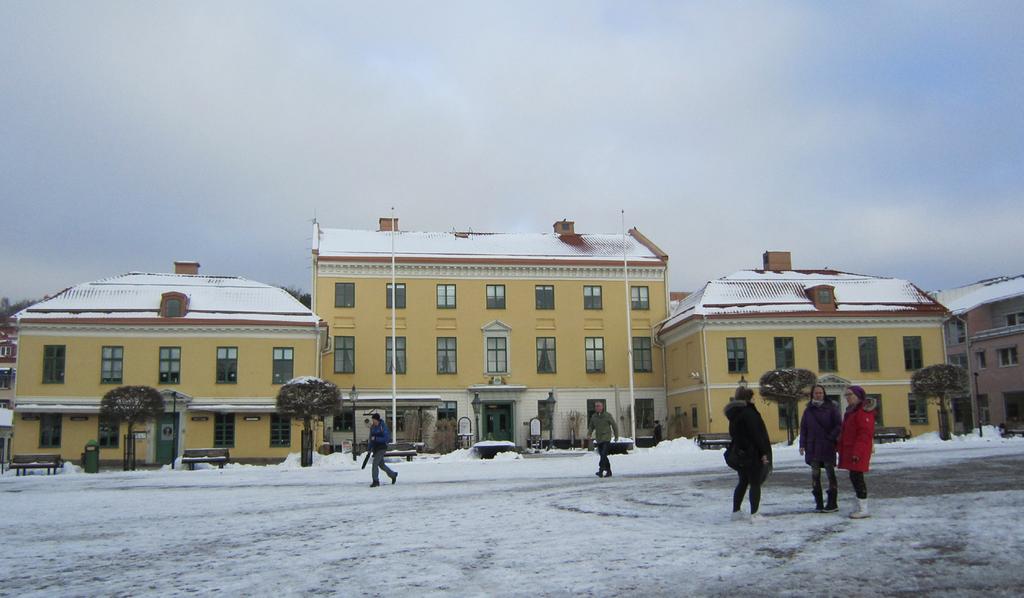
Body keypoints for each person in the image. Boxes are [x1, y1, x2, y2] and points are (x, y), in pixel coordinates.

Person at [725, 386, 772, 521]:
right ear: (748, 398)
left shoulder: (734, 413)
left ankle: (736, 511)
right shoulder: (749, 413)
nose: (754, 400)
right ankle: (755, 513)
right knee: (755, 482)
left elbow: (734, 433)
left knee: (743, 481)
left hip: (740, 452)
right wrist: (763, 452)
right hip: (752, 452)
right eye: (752, 397)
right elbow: (757, 434)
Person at [799, 384, 842, 513]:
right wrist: (802, 444)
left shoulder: (832, 408)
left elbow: (838, 425)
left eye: (821, 393)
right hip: (812, 446)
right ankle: (818, 503)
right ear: (812, 395)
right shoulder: (808, 411)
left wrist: (831, 437)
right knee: (815, 475)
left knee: (830, 474)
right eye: (816, 393)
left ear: (824, 394)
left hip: (827, 445)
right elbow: (804, 428)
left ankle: (832, 502)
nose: (819, 395)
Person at [838, 385, 876, 518]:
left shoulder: (862, 413)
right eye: (846, 395)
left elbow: (864, 435)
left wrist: (857, 453)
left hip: (857, 451)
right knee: (854, 477)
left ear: (858, 396)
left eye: (850, 395)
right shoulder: (851, 412)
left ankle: (863, 508)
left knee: (857, 477)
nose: (847, 398)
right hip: (851, 449)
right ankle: (860, 505)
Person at [587, 401, 618, 477]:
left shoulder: (607, 415)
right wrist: (589, 434)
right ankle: (609, 471)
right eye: (596, 406)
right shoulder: (594, 416)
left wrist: (616, 436)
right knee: (603, 455)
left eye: (599, 406)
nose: (597, 408)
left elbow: (614, 425)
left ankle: (601, 469)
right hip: (599, 438)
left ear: (602, 407)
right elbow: (591, 426)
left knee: (603, 454)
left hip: (606, 438)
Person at [368, 413, 397, 487]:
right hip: (375, 448)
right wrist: (369, 448)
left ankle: (376, 481)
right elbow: (371, 439)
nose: (373, 421)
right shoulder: (372, 427)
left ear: (377, 420)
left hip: (382, 448)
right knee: (381, 465)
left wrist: (376, 439)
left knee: (375, 464)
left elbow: (386, 438)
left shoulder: (383, 427)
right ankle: (393, 475)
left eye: (374, 420)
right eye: (372, 420)